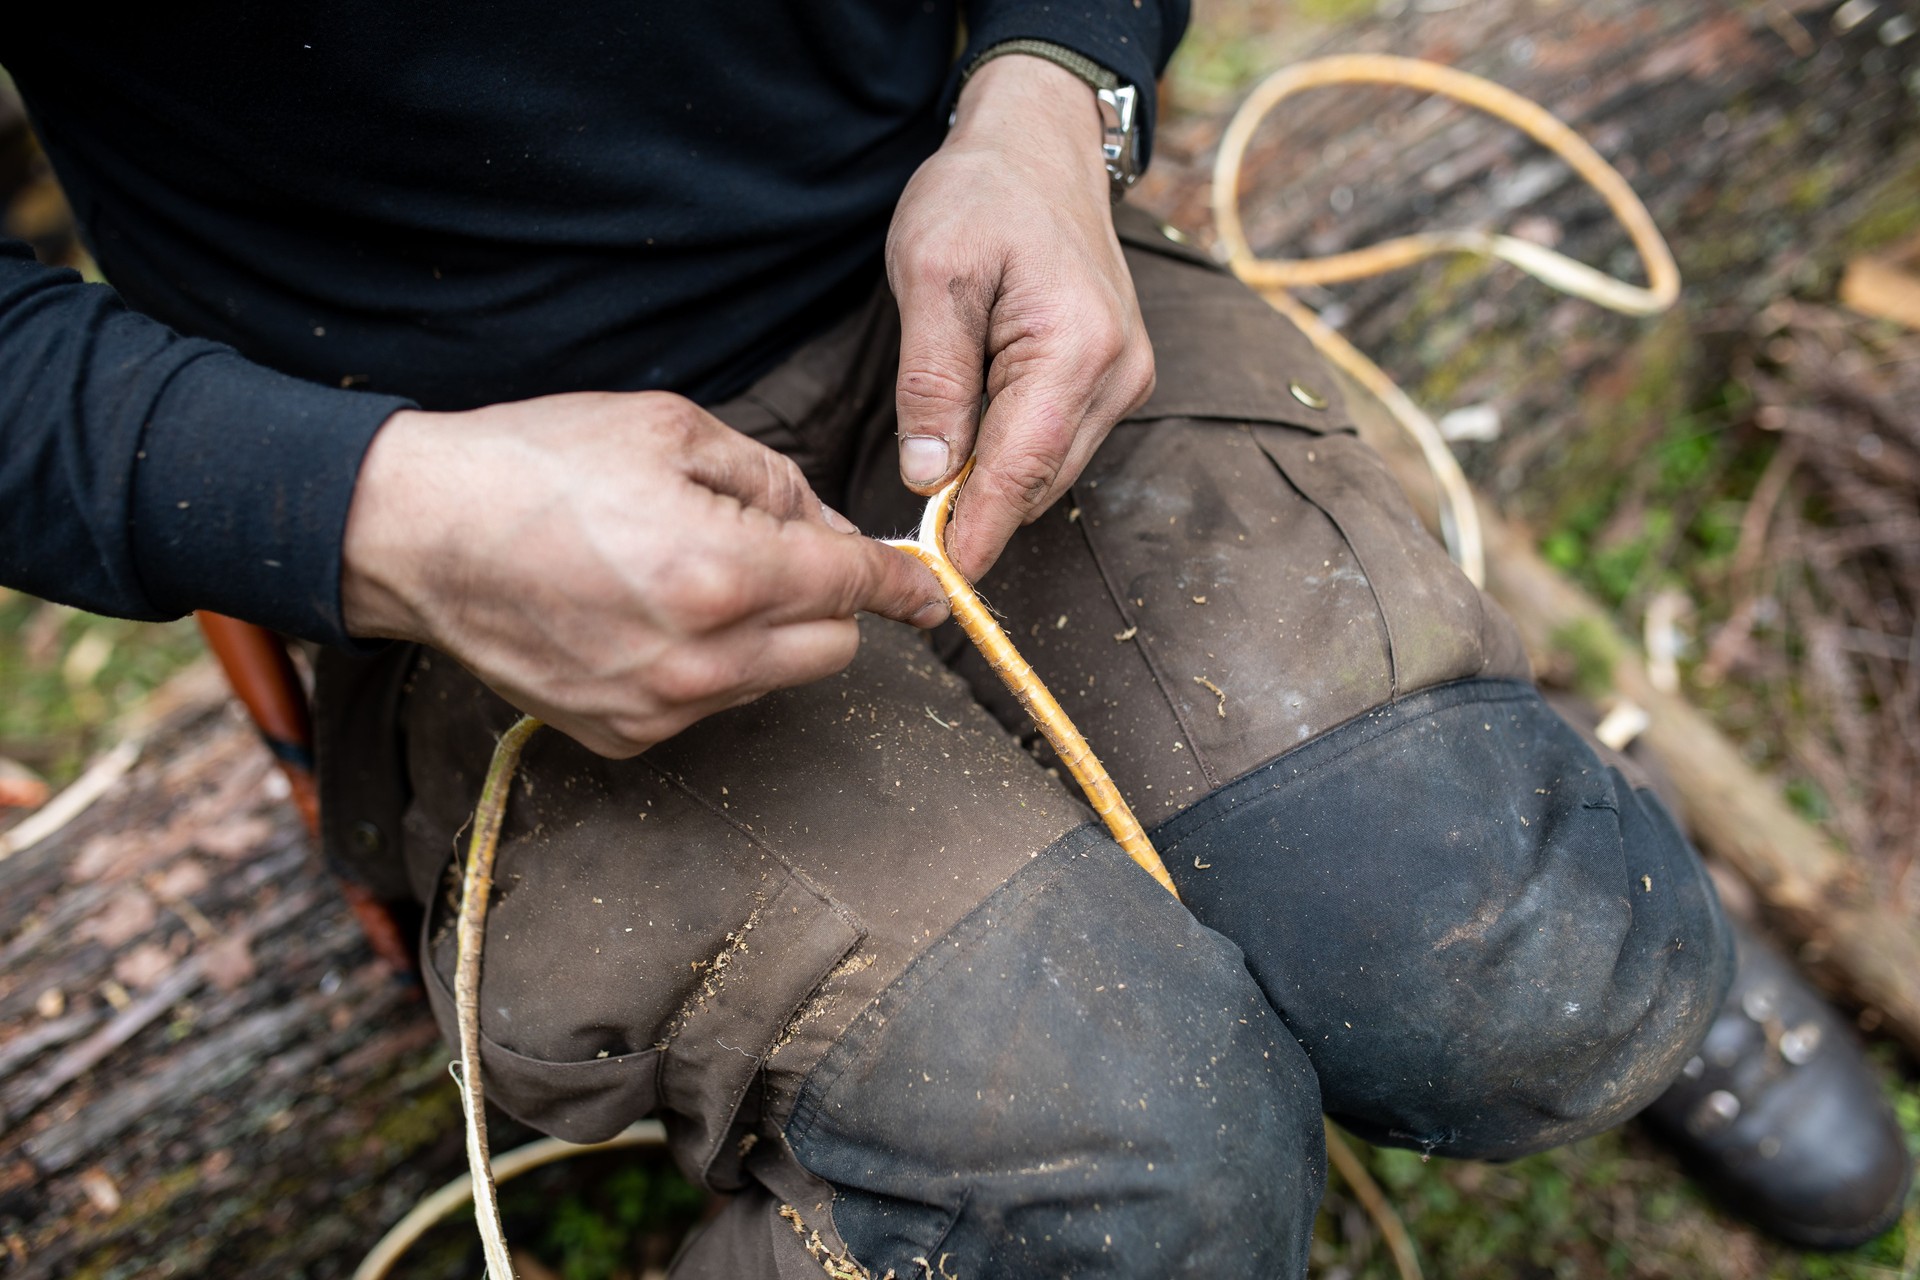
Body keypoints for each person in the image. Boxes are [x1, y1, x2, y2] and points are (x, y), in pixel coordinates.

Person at [0, 6, 1901, 1274]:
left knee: (1539, 965)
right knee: (1121, 1172)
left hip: (953, 233)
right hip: (453, 469)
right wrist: (366, 510)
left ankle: (1540, 818)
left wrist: (1059, 80)